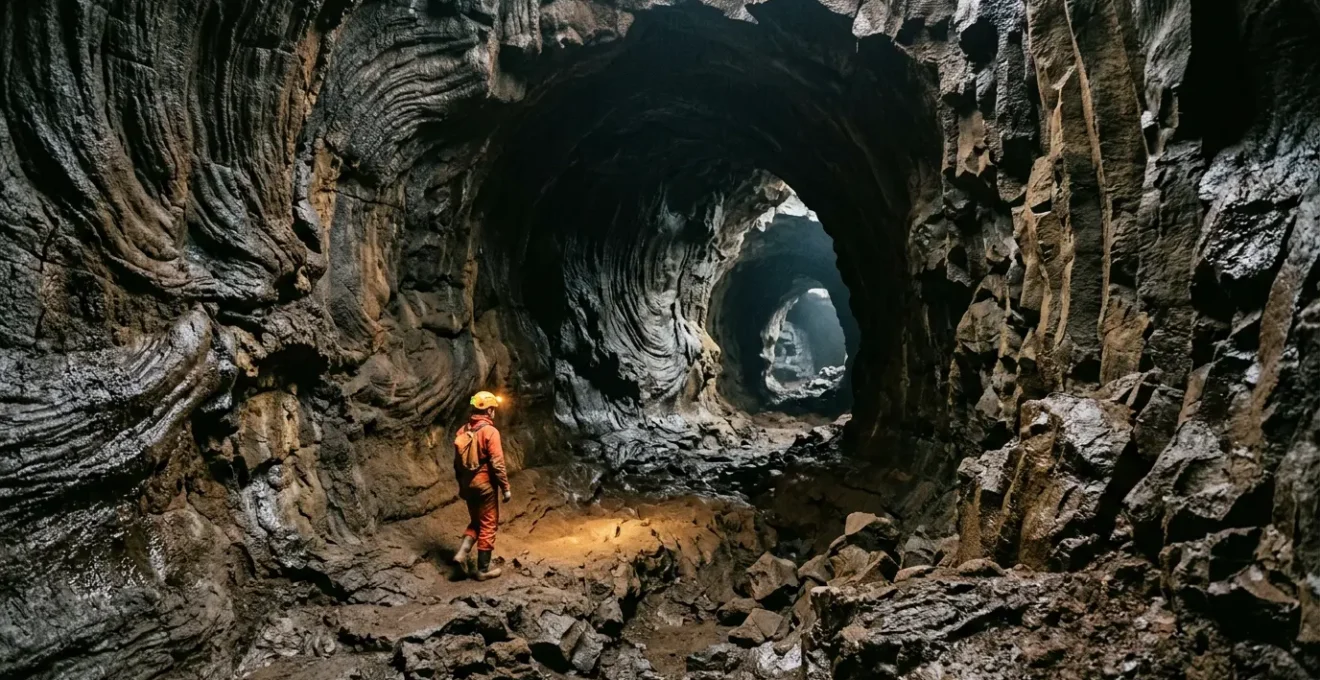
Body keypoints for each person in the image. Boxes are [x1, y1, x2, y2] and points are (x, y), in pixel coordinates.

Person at [452, 391, 511, 580]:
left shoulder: (462, 431)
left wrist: (462, 486)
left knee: (477, 521)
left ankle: (462, 553)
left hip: (468, 485)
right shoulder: (490, 432)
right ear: (490, 410)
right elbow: (497, 463)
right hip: (485, 485)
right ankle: (483, 571)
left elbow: (456, 464)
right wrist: (505, 488)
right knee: (488, 524)